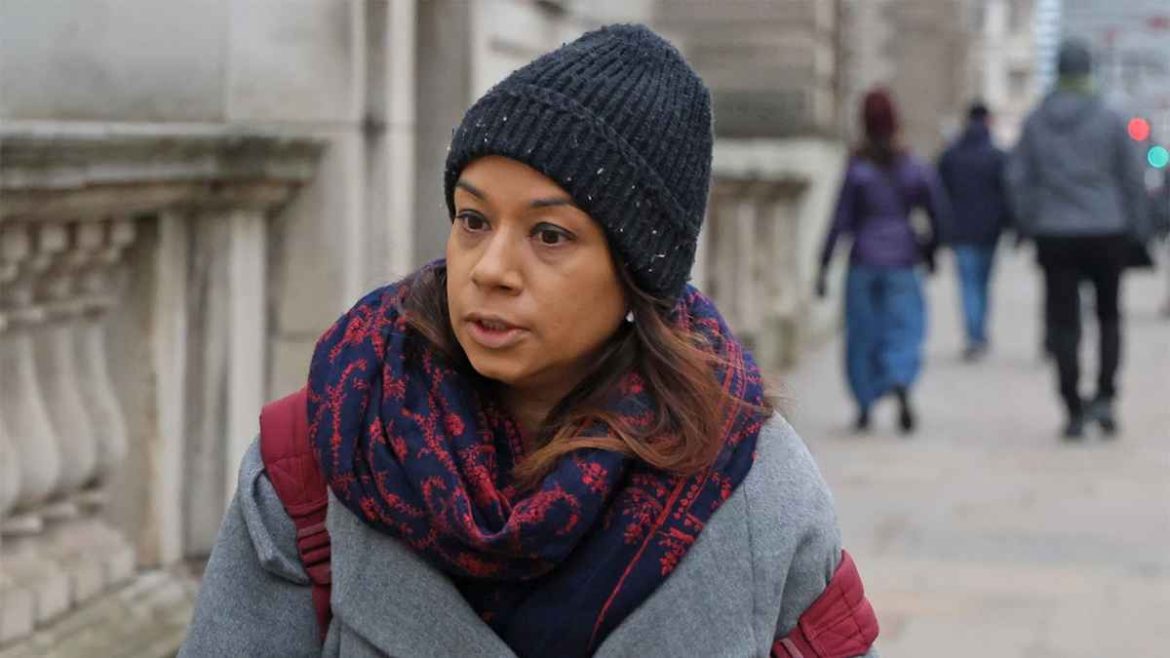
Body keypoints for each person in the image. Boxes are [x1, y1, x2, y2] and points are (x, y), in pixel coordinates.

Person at [179, 25, 879, 658]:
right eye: (473, 220)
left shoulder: (752, 486)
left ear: (636, 275)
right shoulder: (329, 449)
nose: (489, 270)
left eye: (549, 235)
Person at [1007, 39, 1151, 440]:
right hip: (1107, 230)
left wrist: (1030, 221)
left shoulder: (1036, 121)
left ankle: (1071, 405)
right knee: (1109, 317)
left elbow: (1017, 179)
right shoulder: (1110, 118)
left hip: (1055, 233)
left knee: (1063, 322)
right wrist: (1138, 228)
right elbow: (1132, 177)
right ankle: (1105, 396)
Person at [817, 89, 949, 435]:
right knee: (904, 328)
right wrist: (931, 251)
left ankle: (864, 404)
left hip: (863, 260)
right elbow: (937, 212)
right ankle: (900, 379)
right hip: (903, 259)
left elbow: (839, 220)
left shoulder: (857, 169)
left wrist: (824, 264)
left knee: (862, 334)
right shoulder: (913, 166)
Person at [937, 102, 1013, 361]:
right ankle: (978, 334)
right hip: (990, 231)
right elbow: (1008, 194)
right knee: (982, 284)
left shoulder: (951, 156)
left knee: (968, 284)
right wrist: (1010, 224)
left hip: (960, 230)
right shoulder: (997, 157)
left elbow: (939, 194)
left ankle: (974, 336)